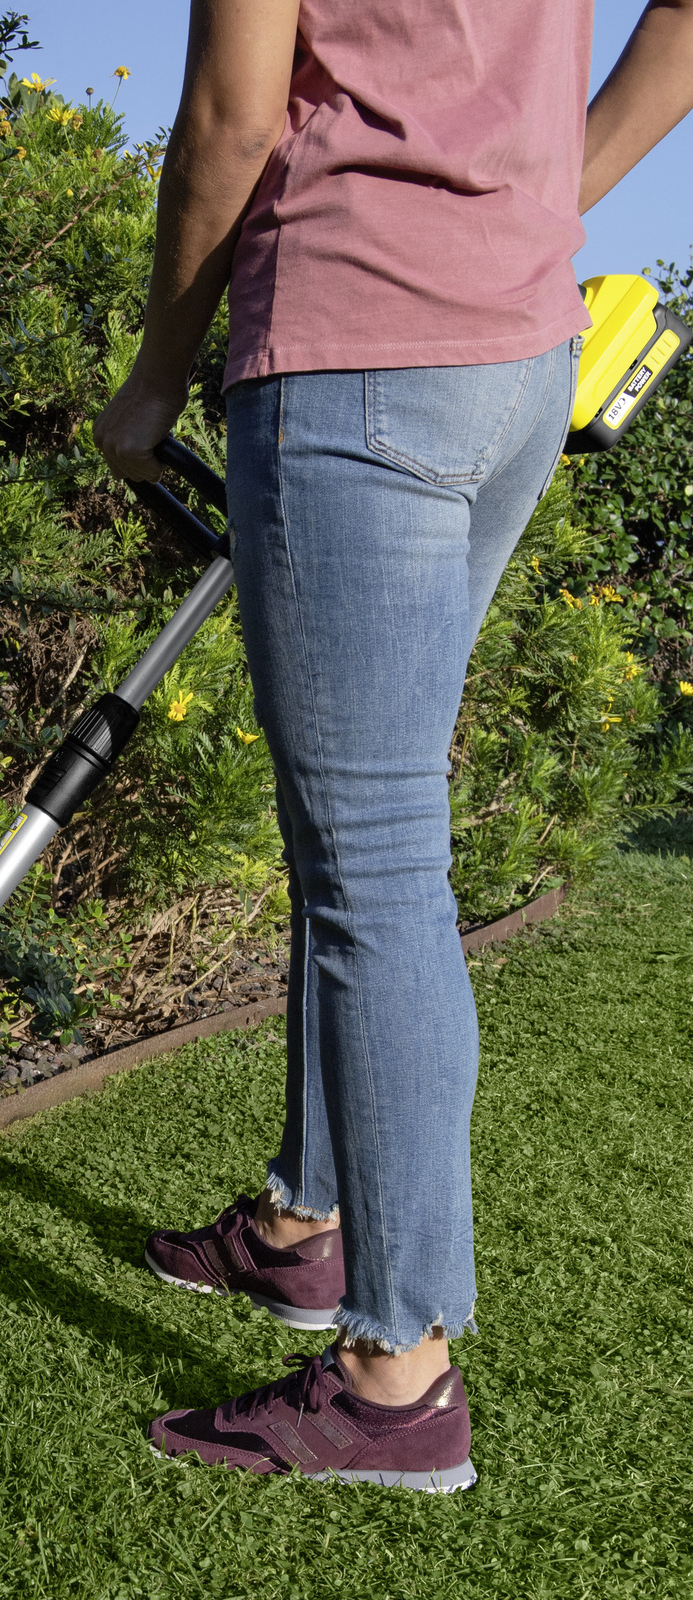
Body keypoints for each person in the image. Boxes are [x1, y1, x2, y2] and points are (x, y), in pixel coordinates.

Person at [94, 0, 693, 1489]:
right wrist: (542, 195)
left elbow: (234, 125)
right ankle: (307, 1222)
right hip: (511, 357)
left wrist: (155, 372)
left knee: (372, 866)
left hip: (355, 351)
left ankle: (396, 1371)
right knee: (348, 832)